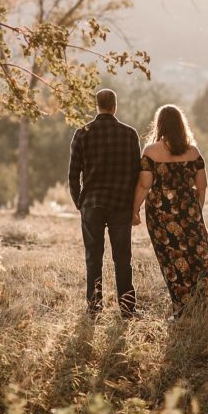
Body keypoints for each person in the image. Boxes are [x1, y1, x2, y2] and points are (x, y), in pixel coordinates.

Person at [133, 104, 208, 319]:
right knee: (198, 254)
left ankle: (182, 309)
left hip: (160, 214)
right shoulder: (193, 152)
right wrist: (196, 210)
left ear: (160, 124)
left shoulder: (151, 151)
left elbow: (145, 185)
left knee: (171, 259)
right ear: (182, 125)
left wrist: (134, 210)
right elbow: (202, 185)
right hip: (189, 210)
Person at [68, 89, 142, 320]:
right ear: (115, 106)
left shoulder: (82, 133)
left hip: (92, 203)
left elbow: (73, 173)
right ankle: (127, 310)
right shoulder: (129, 134)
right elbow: (136, 172)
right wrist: (134, 205)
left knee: (93, 257)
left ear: (97, 105)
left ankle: (94, 308)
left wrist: (79, 201)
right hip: (120, 203)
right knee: (123, 258)